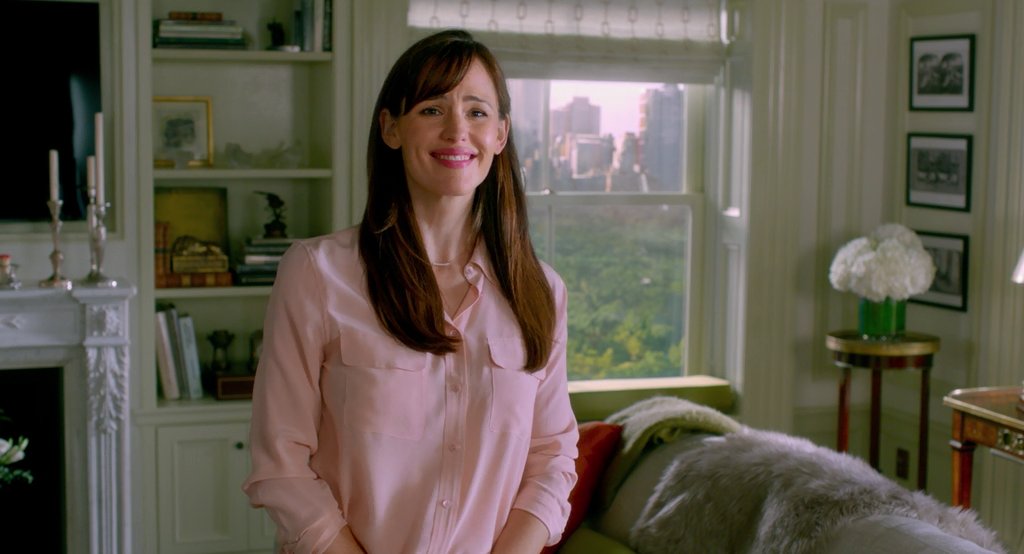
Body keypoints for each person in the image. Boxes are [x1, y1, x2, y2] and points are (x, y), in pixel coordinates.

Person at [242, 29, 579, 554]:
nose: (457, 131)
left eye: (476, 112)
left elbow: (552, 457)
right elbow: (281, 464)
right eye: (431, 109)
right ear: (391, 128)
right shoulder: (316, 274)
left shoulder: (541, 291)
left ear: (500, 135)